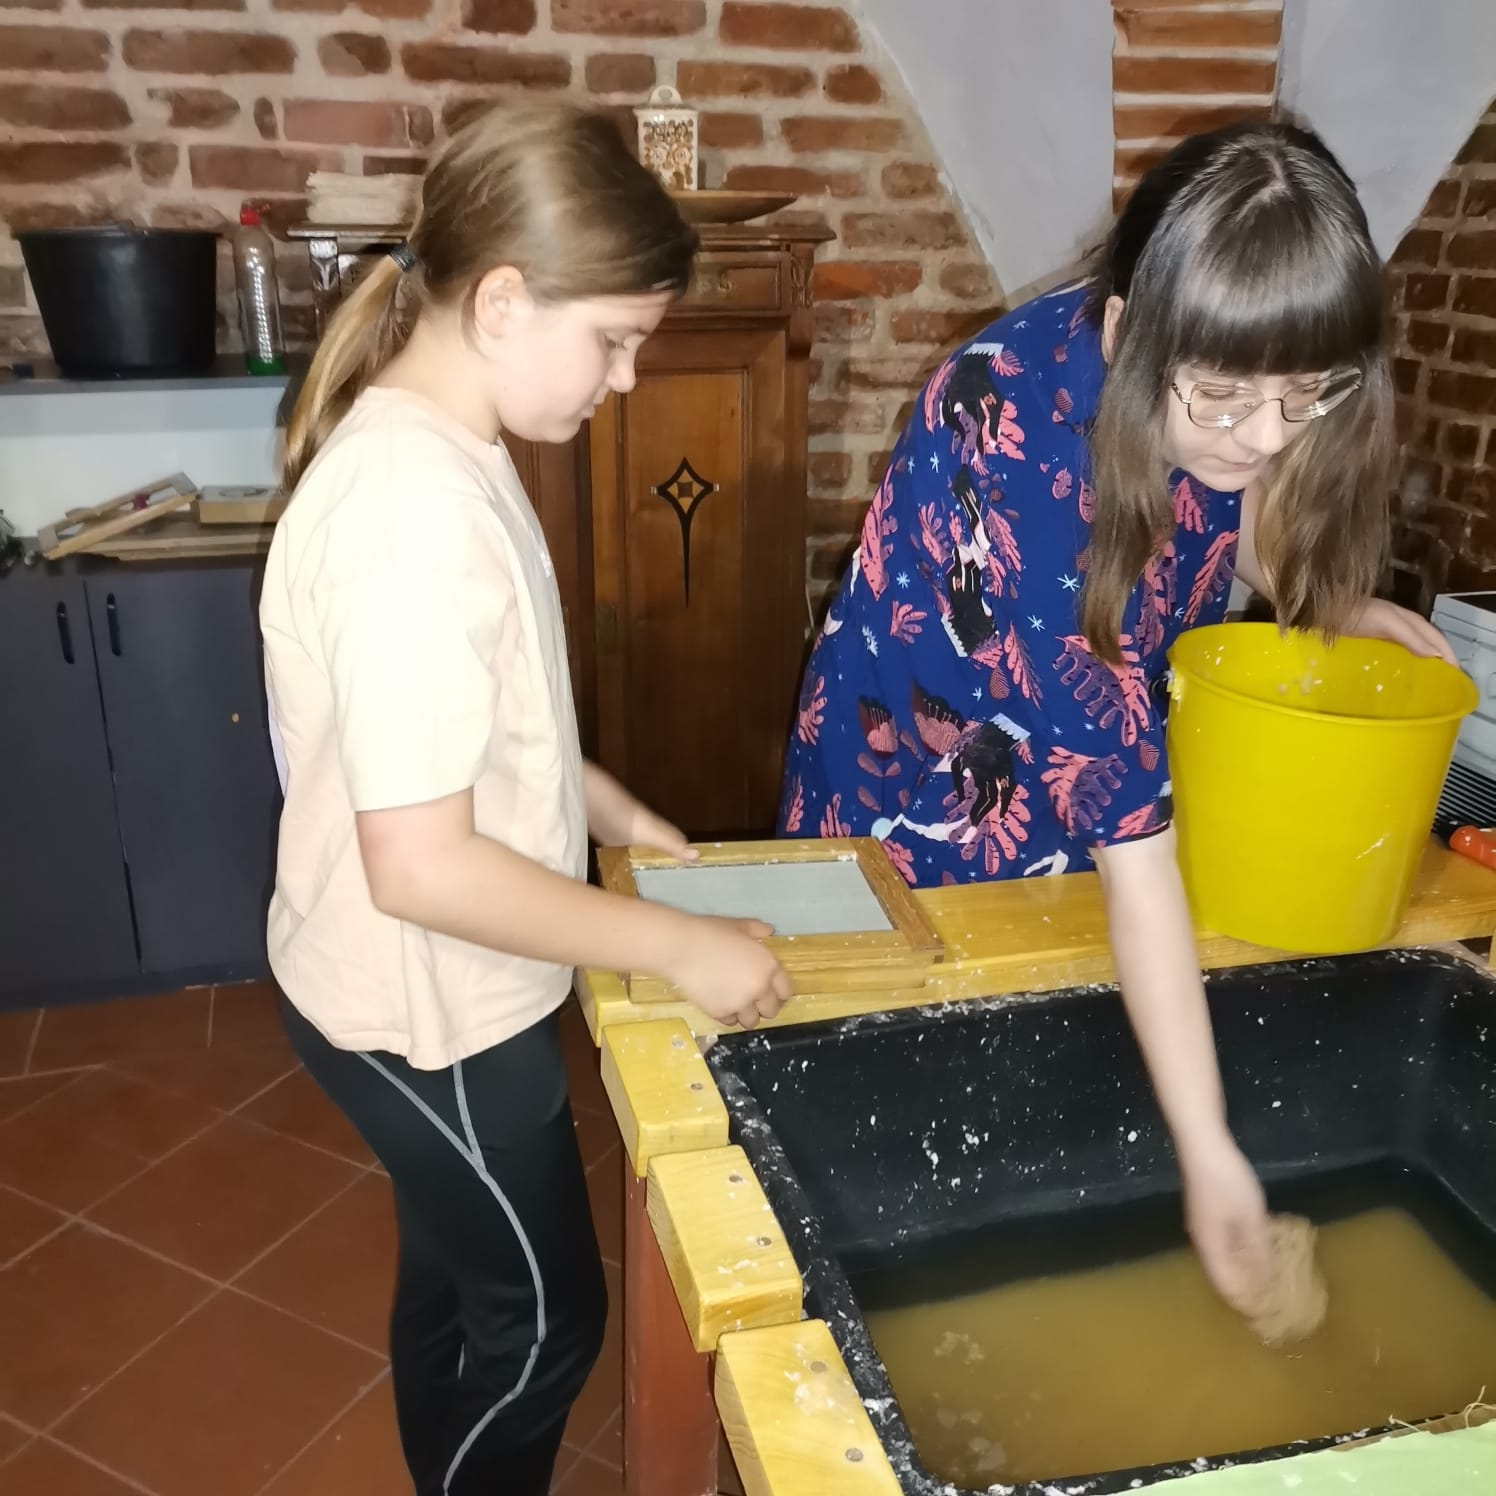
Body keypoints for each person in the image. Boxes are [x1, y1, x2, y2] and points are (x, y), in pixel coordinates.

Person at [778, 121, 1454, 1305]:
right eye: (1224, 397)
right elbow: (1139, 866)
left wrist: (1326, 600)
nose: (1265, 434)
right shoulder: (1026, 475)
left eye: (1303, 393)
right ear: (1124, 330)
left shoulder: (1199, 370)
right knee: (917, 1167)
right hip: (916, 811)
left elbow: (1231, 498)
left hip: (1076, 782)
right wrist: (1212, 1161)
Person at [259, 100, 789, 1496]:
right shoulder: (410, 514)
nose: (627, 377)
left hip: (431, 980)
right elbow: (422, 864)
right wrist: (679, 943)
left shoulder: (447, 445)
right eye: (612, 339)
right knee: (546, 1327)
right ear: (500, 302)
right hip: (424, 1005)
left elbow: (480, 726)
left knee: (458, 1278)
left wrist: (605, 808)